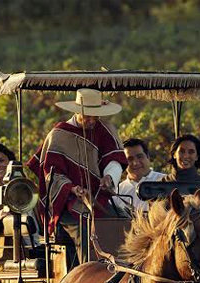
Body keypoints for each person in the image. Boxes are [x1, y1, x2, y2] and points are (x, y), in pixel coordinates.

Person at [27, 88, 127, 267]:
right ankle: (90, 271)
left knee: (123, 222)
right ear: (76, 111)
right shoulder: (58, 135)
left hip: (99, 200)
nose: (91, 121)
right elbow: (51, 174)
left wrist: (109, 177)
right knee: (85, 228)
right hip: (66, 203)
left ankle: (126, 271)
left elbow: (114, 159)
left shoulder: (104, 130)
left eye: (95, 117)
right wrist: (71, 188)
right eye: (87, 116)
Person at [115, 138, 165, 212]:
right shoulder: (117, 192)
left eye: (139, 157)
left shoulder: (166, 181)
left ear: (148, 157)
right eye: (130, 159)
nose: (135, 163)